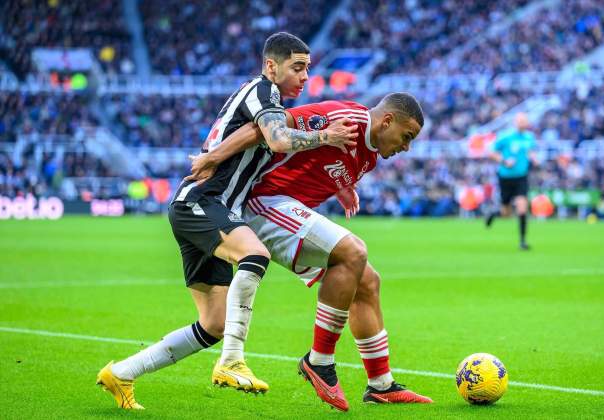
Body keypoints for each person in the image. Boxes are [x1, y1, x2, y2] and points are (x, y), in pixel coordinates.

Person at [96, 32, 358, 410]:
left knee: (213, 324)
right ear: (272, 66)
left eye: (308, 69)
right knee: (255, 253)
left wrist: (340, 184)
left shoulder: (267, 101)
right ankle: (233, 360)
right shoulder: (262, 91)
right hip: (202, 202)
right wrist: (327, 136)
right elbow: (279, 139)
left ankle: (121, 373)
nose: (304, 77)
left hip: (212, 208)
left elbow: (255, 137)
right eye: (297, 67)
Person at [189, 93, 433, 411]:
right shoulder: (346, 118)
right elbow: (267, 125)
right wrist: (213, 156)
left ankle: (381, 385)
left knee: (367, 281)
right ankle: (319, 362)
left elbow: (324, 163)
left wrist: (343, 188)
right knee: (354, 252)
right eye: (406, 137)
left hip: (286, 207)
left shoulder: (371, 155)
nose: (406, 147)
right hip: (262, 201)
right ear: (387, 121)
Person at [485, 112, 537, 250]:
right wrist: (504, 161)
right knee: (506, 213)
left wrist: (534, 158)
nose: (522, 123)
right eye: (520, 121)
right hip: (506, 177)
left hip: (521, 177)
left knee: (522, 207)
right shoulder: (506, 136)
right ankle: (493, 214)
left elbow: (530, 151)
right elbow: (491, 152)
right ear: (515, 122)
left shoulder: (529, 137)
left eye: (524, 121)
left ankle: (522, 241)